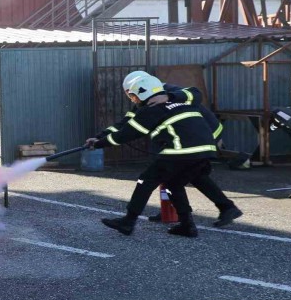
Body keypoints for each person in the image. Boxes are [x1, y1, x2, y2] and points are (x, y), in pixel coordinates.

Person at [86, 75, 232, 238]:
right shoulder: (180, 101)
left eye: (132, 96)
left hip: (180, 150)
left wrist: (98, 144)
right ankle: (187, 225)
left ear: (139, 94)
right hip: (205, 149)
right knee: (173, 183)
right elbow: (125, 125)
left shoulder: (151, 110)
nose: (132, 100)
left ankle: (128, 221)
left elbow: (124, 135)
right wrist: (100, 137)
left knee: (145, 181)